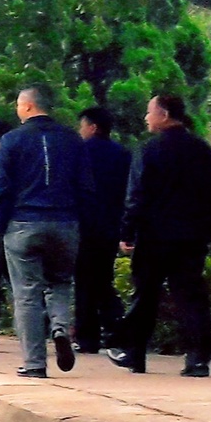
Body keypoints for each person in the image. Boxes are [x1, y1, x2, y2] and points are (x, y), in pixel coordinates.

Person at [107, 92, 211, 377]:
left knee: (146, 295)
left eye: (149, 112)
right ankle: (197, 359)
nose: (146, 118)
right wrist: (209, 230)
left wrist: (127, 232)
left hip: (154, 234)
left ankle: (134, 354)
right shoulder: (203, 150)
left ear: (163, 114)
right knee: (190, 297)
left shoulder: (149, 150)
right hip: (192, 237)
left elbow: (137, 195)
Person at [0, 84, 86, 375]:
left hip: (23, 222)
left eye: (19, 105)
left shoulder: (12, 140)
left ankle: (34, 363)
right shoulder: (71, 139)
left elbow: (1, 187)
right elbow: (85, 185)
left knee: (27, 293)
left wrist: (1, 223)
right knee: (60, 282)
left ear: (28, 106)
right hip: (64, 222)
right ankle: (59, 328)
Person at [74, 106, 134, 354]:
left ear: (93, 127)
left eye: (83, 126)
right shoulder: (123, 154)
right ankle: (116, 329)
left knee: (84, 281)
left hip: (84, 225)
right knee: (102, 279)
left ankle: (87, 337)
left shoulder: (80, 153)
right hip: (110, 225)